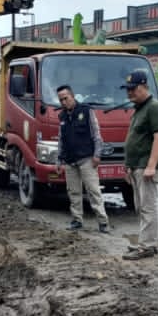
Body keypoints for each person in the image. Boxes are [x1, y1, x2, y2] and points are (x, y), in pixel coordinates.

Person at [122, 70, 158, 259]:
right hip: (136, 166)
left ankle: (147, 246)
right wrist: (128, 165)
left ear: (145, 87)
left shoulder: (154, 107)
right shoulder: (139, 109)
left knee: (148, 207)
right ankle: (144, 242)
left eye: (133, 89)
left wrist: (151, 165)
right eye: (128, 89)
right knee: (140, 206)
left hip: (145, 166)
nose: (129, 92)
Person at [55, 85, 109, 234]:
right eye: (61, 100)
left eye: (66, 98)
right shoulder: (62, 116)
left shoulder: (86, 111)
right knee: (73, 192)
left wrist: (97, 154)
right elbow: (61, 139)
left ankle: (103, 222)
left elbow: (96, 134)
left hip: (87, 159)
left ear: (72, 96)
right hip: (70, 161)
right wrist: (59, 160)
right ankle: (77, 220)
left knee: (93, 191)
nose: (63, 102)